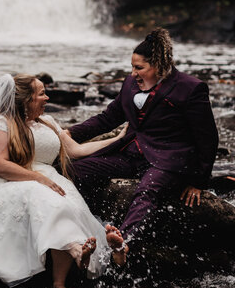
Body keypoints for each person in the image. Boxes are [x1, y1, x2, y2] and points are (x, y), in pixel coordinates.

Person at [0, 73, 127, 288]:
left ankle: (65, 277)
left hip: (49, 180)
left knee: (65, 207)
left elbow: (75, 150)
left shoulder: (48, 122)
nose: (47, 98)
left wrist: (119, 139)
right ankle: (76, 252)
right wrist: (39, 179)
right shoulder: (0, 124)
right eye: (41, 94)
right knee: (51, 204)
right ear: (26, 99)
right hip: (11, 180)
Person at [68, 28, 218, 267]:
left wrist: (199, 182)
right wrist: (68, 133)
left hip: (170, 160)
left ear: (158, 65)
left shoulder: (191, 88)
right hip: (132, 153)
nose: (133, 73)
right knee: (77, 171)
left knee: (146, 192)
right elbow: (108, 118)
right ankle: (91, 226)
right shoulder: (129, 84)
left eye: (139, 68)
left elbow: (207, 138)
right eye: (132, 67)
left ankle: (122, 244)